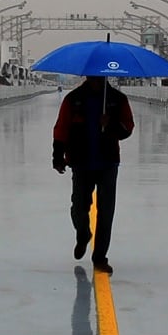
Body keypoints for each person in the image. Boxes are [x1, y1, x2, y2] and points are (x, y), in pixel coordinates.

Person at [52, 75, 133, 275]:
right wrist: (57, 155)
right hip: (81, 162)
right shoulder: (73, 99)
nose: (95, 78)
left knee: (106, 212)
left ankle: (100, 258)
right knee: (79, 207)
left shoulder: (117, 99)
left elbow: (128, 128)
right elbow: (61, 127)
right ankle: (83, 233)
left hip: (108, 163)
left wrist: (111, 123)